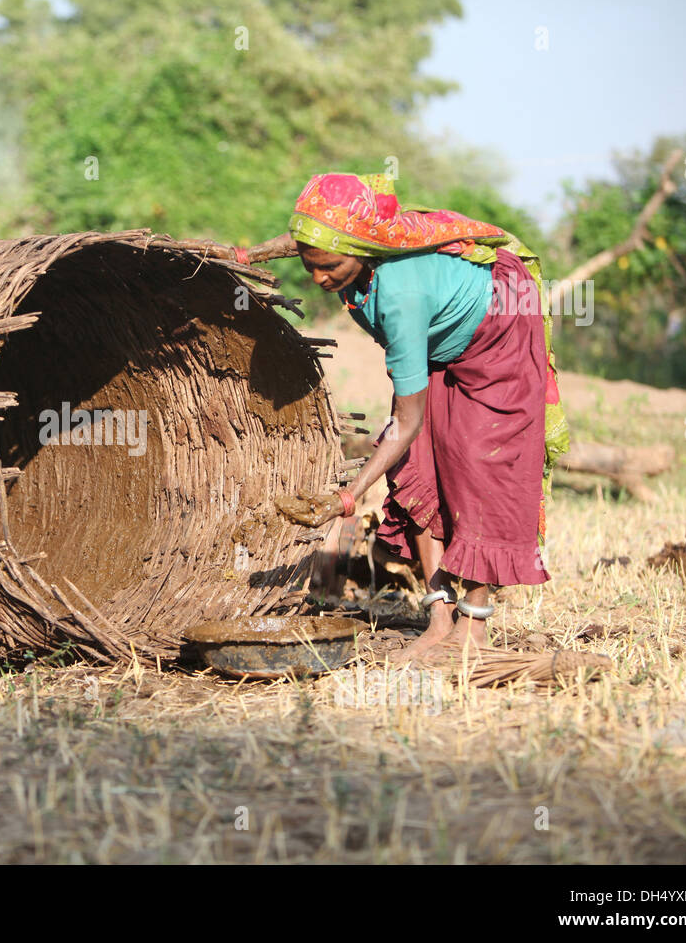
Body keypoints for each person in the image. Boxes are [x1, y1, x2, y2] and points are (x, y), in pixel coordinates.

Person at [231, 172, 568, 659]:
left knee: (476, 465)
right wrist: (243, 256)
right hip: (437, 331)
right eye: (310, 266)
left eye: (328, 267)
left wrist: (349, 497)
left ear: (362, 250)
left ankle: (473, 627)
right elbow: (304, 241)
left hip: (500, 327)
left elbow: (404, 423)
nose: (318, 278)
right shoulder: (345, 249)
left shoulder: (398, 299)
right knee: (416, 468)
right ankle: (438, 619)